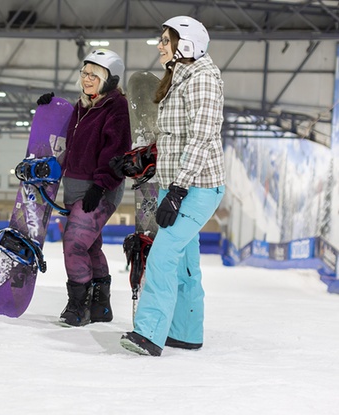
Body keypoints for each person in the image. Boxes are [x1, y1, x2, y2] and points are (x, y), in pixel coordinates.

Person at [120, 16, 226, 356]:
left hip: (197, 187)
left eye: (166, 40)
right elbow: (171, 138)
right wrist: (145, 161)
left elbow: (201, 138)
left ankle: (149, 333)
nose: (159, 45)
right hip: (175, 184)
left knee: (163, 256)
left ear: (188, 43)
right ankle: (185, 331)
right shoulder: (179, 78)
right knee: (183, 261)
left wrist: (179, 190)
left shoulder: (203, 79)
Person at [38, 49, 131, 327]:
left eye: (94, 75)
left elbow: (117, 150)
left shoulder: (117, 107)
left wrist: (100, 186)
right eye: (84, 73)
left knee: (74, 243)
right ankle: (101, 306)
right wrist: (49, 108)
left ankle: (78, 306)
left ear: (110, 79)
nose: (87, 79)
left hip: (100, 188)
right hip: (74, 185)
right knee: (91, 247)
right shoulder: (82, 106)